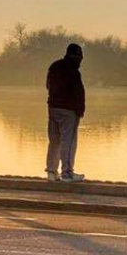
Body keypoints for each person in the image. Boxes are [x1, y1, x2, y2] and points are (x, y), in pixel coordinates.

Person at [45, 43, 86, 182]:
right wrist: (79, 110)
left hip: (53, 108)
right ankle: (67, 173)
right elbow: (77, 93)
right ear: (75, 56)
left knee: (54, 141)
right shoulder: (73, 71)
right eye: (80, 57)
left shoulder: (54, 66)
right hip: (68, 110)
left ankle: (51, 172)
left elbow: (48, 85)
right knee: (68, 141)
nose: (81, 60)